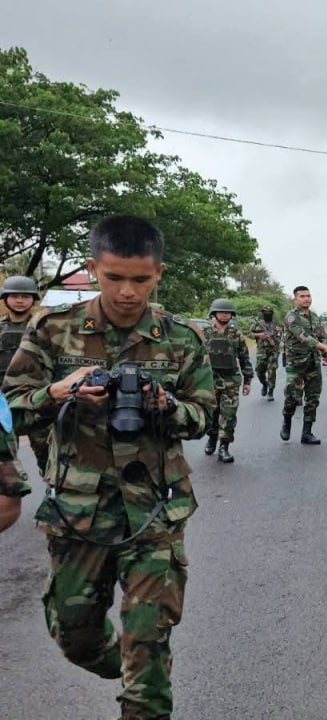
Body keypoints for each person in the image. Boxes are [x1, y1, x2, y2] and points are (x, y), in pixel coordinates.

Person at [0, 215, 215, 719]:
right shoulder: (53, 329)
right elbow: (12, 408)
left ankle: (145, 676)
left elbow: (204, 418)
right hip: (78, 513)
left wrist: (167, 406)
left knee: (148, 641)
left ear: (159, 273)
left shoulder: (182, 337)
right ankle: (133, 666)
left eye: (140, 279)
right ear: (94, 268)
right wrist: (58, 393)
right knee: (75, 637)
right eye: (114, 277)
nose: (127, 292)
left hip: (155, 513)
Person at [0, 274, 51, 475]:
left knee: (47, 454)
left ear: (33, 299)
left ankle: (52, 488)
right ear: (5, 299)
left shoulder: (44, 328)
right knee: (5, 460)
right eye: (15, 296)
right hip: (4, 403)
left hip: (36, 399)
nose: (20, 301)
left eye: (25, 296)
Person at [281, 286, 327, 445]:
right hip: (296, 364)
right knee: (292, 397)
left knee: (313, 399)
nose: (306, 299)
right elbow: (303, 337)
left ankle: (307, 433)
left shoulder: (314, 317)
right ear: (295, 299)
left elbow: (321, 336)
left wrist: (326, 355)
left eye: (308, 296)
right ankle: (286, 421)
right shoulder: (291, 316)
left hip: (313, 363)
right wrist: (325, 348)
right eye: (302, 296)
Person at [202, 299, 252, 463]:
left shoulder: (236, 334)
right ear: (214, 313)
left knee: (229, 414)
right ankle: (212, 437)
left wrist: (247, 380)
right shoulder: (204, 333)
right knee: (211, 413)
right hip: (209, 380)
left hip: (231, 380)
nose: (225, 315)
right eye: (221, 312)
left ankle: (224, 446)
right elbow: (194, 357)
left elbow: (244, 358)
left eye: (228, 313)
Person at [249, 305, 282, 401]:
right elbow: (249, 334)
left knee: (272, 372)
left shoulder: (276, 324)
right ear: (263, 313)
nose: (267, 314)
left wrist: (275, 335)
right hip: (262, 352)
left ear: (272, 314)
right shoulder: (257, 324)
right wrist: (259, 335)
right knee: (259, 372)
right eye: (265, 313)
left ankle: (271, 391)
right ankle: (265, 384)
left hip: (273, 351)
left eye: (269, 313)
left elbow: (280, 338)